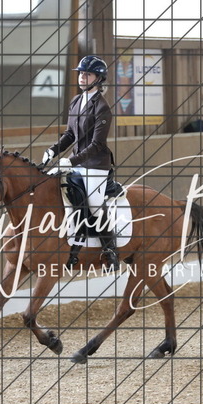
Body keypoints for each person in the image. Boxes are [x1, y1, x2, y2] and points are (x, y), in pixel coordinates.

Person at [42, 55, 119, 271]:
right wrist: (52, 151)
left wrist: (70, 160)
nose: (82, 77)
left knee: (94, 205)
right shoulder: (76, 101)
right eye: (81, 73)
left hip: (96, 164)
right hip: (76, 162)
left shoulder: (102, 108)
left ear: (98, 78)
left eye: (87, 74)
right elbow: (69, 134)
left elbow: (96, 144)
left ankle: (110, 250)